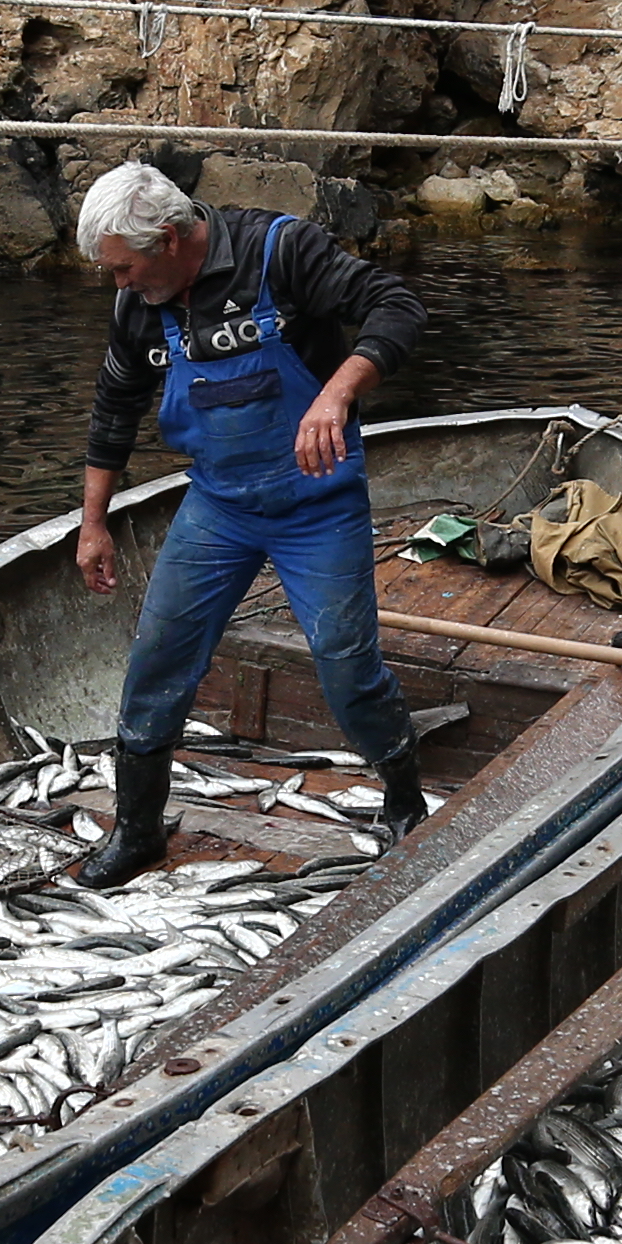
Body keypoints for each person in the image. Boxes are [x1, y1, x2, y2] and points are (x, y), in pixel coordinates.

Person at [67, 160, 431, 884]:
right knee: (157, 663)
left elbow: (398, 305)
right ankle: (138, 832)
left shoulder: (281, 251)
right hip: (219, 507)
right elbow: (115, 412)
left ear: (170, 239)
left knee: (345, 664)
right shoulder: (137, 305)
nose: (120, 284)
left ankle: (403, 801)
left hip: (318, 504)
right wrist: (93, 524)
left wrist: (336, 393)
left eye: (125, 268)